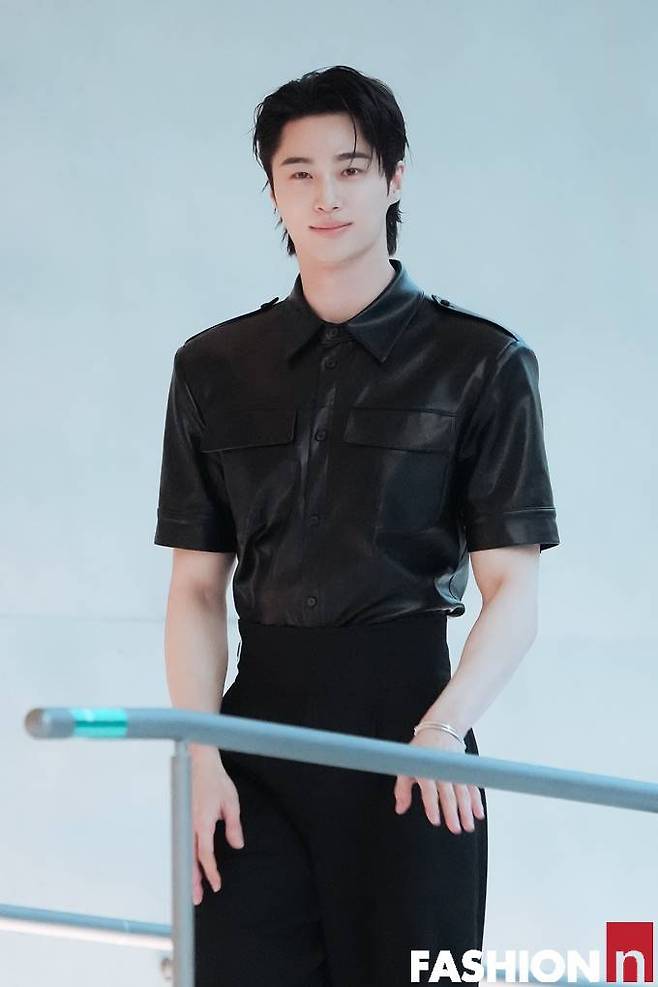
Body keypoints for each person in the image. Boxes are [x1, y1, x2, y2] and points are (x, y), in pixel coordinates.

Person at [153, 64, 560, 987]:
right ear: (272, 189)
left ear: (394, 177)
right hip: (254, 748)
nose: (325, 197)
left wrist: (446, 729)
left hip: (412, 741)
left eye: (351, 168)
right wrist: (201, 753)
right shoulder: (212, 366)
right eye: (299, 173)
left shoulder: (482, 362)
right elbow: (194, 587)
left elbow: (513, 587)